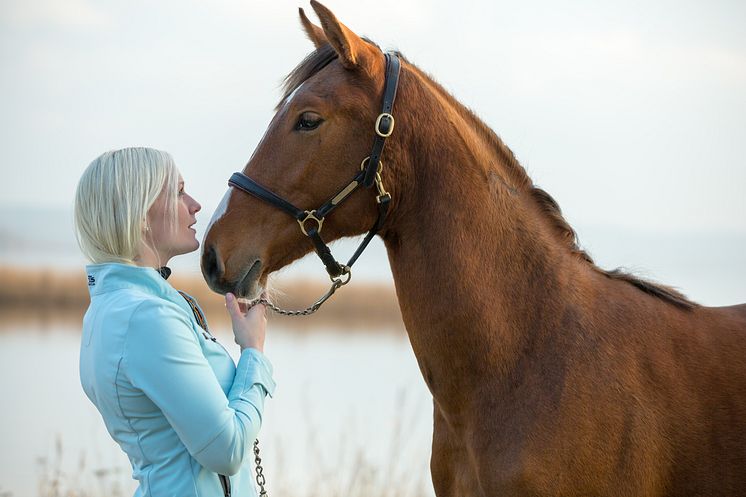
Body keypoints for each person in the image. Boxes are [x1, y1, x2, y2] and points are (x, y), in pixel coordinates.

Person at [74, 147, 275, 497]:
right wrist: (253, 354)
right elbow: (226, 450)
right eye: (179, 192)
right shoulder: (145, 319)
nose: (195, 204)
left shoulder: (113, 308)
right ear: (139, 214)